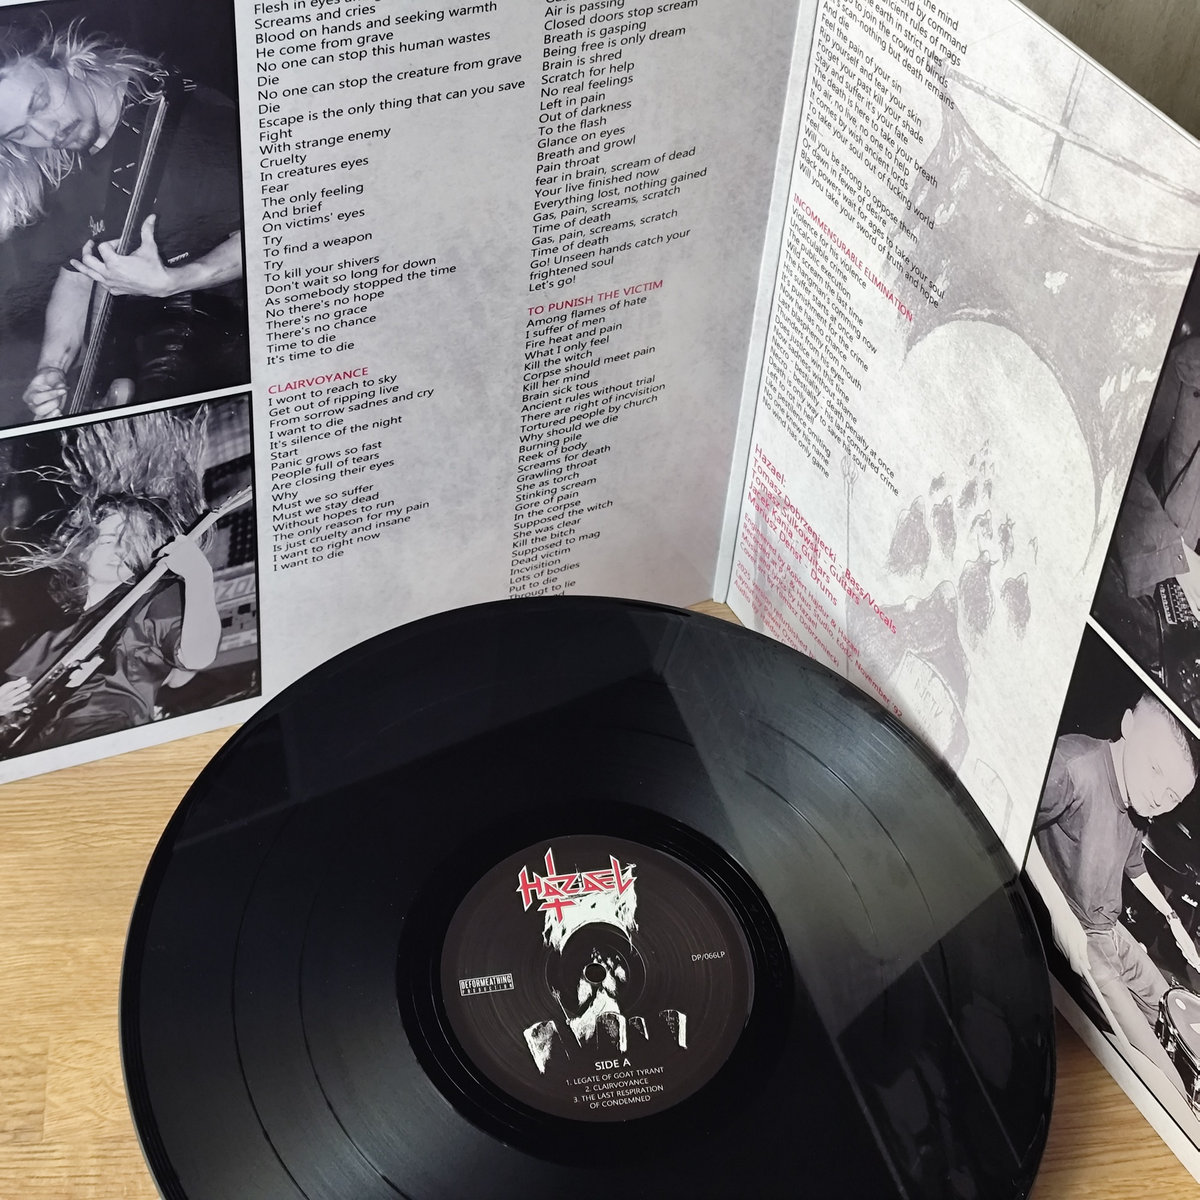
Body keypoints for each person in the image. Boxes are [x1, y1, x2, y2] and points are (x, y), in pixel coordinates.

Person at [0, 20, 245, 419]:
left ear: (60, 59)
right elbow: (78, 274)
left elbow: (282, 229)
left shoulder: (185, 116)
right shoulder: (67, 164)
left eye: (40, 103)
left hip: (231, 329)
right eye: (20, 133)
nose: (48, 133)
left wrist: (179, 279)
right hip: (140, 343)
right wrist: (51, 369)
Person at [0, 409, 220, 754]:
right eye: (108, 539)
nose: (120, 549)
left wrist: (199, 577)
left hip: (107, 739)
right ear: (82, 549)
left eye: (131, 541)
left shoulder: (151, 603)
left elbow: (196, 657)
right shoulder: (43, 638)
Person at [1034, 692, 1200, 1100]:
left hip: (1111, 930)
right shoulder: (1073, 765)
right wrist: (1058, 914)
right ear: (1127, 724)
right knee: (1164, 1076)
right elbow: (1014, 826)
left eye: (1174, 797)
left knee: (1174, 1007)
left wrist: (1173, 921)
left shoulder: (1137, 808)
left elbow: (1134, 865)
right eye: (1156, 769)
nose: (1160, 797)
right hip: (1081, 934)